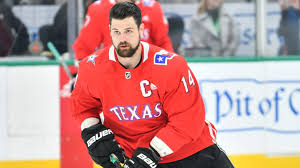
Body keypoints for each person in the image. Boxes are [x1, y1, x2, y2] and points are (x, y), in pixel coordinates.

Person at [70, 2, 235, 168]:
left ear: (141, 30)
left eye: (128, 31)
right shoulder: (91, 68)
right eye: (117, 32)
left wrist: (152, 152)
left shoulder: (172, 67)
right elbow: (83, 106)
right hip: (136, 159)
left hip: (194, 154)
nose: (122, 39)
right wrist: (92, 130)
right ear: (110, 31)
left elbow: (187, 121)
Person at [72, 0, 173, 61]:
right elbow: (84, 48)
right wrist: (79, 74)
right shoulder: (99, 9)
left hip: (147, 73)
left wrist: (170, 66)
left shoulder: (152, 8)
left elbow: (163, 44)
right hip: (111, 74)